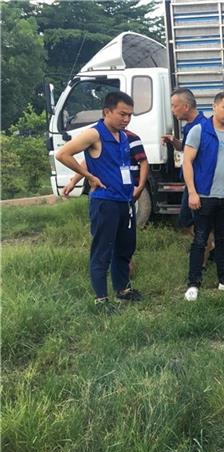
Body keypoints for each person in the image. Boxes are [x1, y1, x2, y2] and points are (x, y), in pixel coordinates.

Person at [55, 91, 142, 313]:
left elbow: (95, 158)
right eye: (122, 114)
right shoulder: (94, 133)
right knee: (103, 250)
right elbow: (63, 154)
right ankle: (101, 300)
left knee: (125, 248)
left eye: (130, 115)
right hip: (105, 201)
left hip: (124, 200)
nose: (126, 119)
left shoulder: (123, 136)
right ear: (107, 112)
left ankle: (123, 290)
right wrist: (88, 177)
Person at [182, 91, 224, 301]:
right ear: (214, 106)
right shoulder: (199, 130)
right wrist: (192, 192)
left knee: (223, 239)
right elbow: (187, 162)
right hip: (204, 195)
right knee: (200, 239)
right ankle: (193, 284)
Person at [161, 88, 207, 231]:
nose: (172, 110)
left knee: (198, 222)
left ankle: (208, 244)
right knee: (187, 222)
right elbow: (186, 148)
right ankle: (206, 243)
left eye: (174, 106)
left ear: (186, 106)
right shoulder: (188, 127)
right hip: (191, 181)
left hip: (199, 182)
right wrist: (173, 141)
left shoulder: (203, 127)